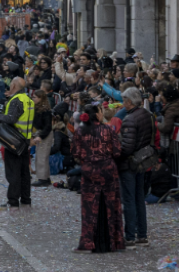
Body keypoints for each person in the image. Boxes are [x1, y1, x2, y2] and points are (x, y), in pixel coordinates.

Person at [71, 103, 124, 253]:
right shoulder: (107, 129)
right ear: (97, 115)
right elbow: (117, 151)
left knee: (89, 206)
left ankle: (88, 242)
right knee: (110, 204)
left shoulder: (81, 131)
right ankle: (112, 241)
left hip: (89, 170)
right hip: (107, 169)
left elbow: (75, 152)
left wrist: (86, 158)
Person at [117, 87, 154, 246]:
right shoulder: (146, 114)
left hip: (130, 163)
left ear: (129, 101)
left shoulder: (130, 119)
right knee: (139, 197)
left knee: (129, 200)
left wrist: (116, 151)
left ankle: (130, 235)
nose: (123, 103)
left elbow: (127, 147)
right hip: (142, 160)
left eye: (124, 100)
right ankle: (142, 234)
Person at [0, 77, 34, 207]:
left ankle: (13, 200)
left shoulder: (16, 100)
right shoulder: (29, 100)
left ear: (13, 86)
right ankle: (25, 198)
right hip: (25, 139)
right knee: (24, 171)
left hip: (14, 140)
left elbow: (11, 119)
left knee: (14, 172)